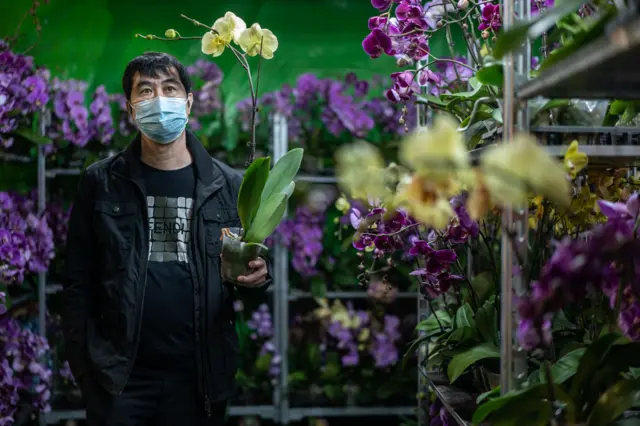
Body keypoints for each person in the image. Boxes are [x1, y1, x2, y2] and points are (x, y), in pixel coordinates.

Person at [61, 52, 271, 426]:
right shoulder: (102, 182)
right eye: (146, 90)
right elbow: (77, 282)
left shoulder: (229, 187)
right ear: (130, 109)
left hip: (198, 379)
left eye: (169, 88)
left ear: (189, 102)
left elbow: (246, 286)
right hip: (120, 381)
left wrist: (257, 279)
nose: (159, 100)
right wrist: (86, 372)